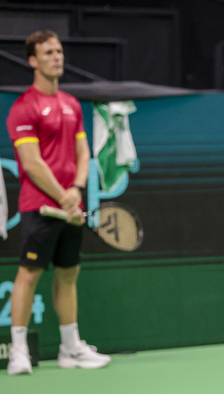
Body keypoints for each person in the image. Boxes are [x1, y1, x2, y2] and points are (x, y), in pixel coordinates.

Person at [6, 30, 111, 375]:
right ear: (33, 61)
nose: (57, 57)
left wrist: (77, 188)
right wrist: (64, 196)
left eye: (59, 51)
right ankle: (19, 351)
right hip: (40, 205)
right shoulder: (24, 108)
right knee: (29, 272)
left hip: (71, 204)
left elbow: (83, 152)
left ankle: (70, 349)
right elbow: (32, 163)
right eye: (48, 52)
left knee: (69, 273)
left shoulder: (71, 104)